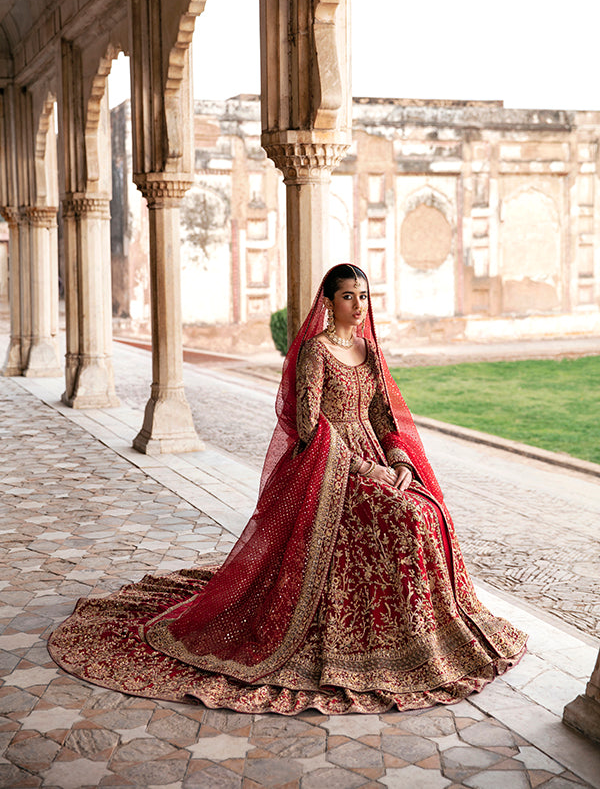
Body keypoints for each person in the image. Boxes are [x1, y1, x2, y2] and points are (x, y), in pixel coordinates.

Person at [49, 263, 526, 714]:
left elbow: (384, 415)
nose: (358, 306)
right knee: (401, 517)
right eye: (348, 297)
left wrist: (399, 461)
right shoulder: (317, 351)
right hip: (331, 463)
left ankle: (419, 632)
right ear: (329, 300)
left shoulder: (371, 351)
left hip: (377, 457)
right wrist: (363, 469)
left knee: (425, 508)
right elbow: (307, 423)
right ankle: (368, 636)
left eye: (363, 297)